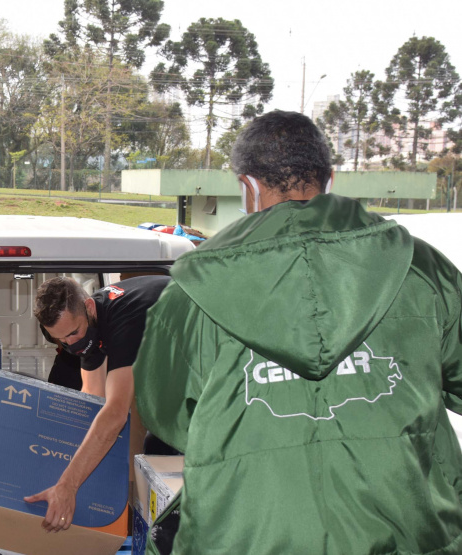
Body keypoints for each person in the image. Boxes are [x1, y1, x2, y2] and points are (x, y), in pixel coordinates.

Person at [134, 110, 462, 554]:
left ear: (248, 187)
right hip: (412, 530)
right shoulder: (423, 270)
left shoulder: (191, 296)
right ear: (328, 179)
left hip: (250, 535)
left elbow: (168, 415)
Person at [24, 275, 170, 532]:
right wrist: (57, 461)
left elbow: (115, 414)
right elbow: (91, 398)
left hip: (224, 360)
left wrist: (68, 486)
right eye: (61, 340)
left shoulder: (126, 317)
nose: (71, 344)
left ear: (89, 308)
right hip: (178, 371)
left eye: (72, 333)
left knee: (159, 453)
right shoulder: (88, 326)